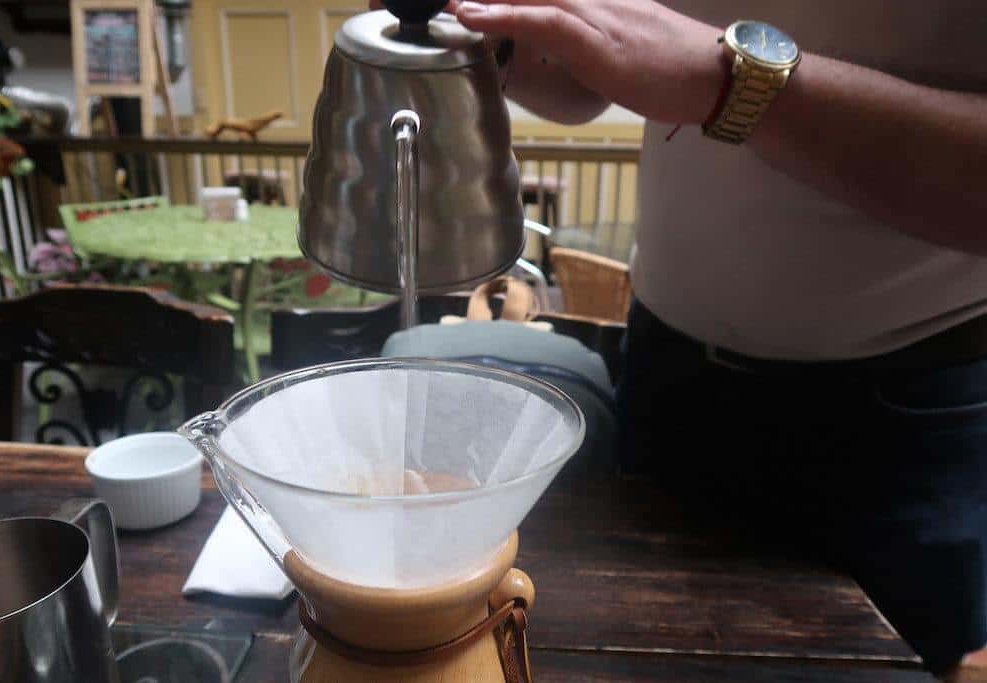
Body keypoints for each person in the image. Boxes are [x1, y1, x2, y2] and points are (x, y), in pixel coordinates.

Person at [370, 0, 987, 678]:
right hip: (672, 372)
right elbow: (584, 85)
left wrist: (731, 84)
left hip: (906, 416)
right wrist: (492, 34)